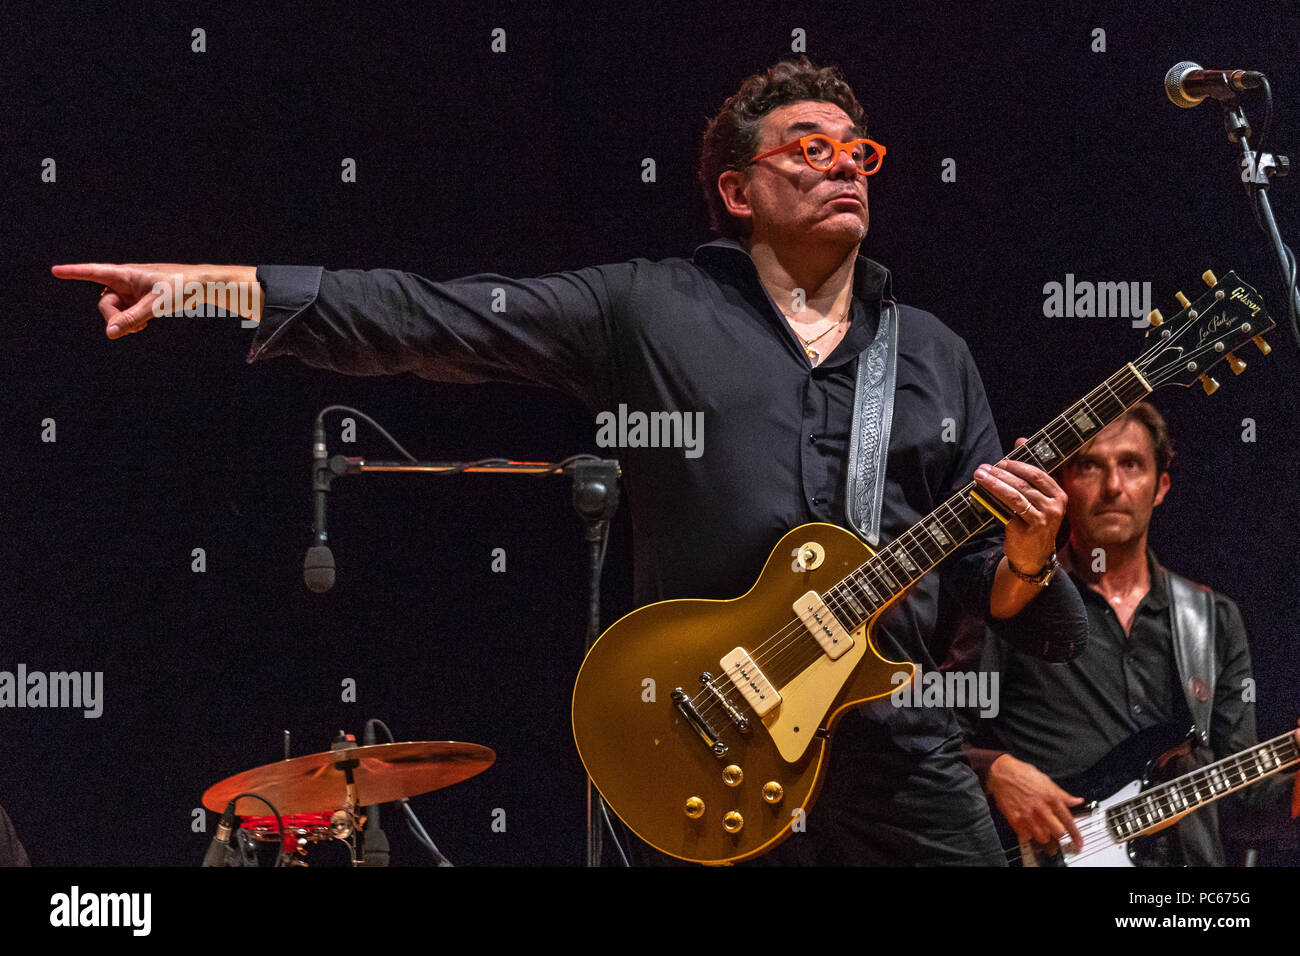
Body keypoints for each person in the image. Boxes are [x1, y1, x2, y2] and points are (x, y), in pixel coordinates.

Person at [53, 58, 1087, 865]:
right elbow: (437, 317)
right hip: (708, 733)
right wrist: (218, 287)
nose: (840, 167)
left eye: (857, 152)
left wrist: (1032, 554)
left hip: (892, 743)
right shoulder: (649, 308)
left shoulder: (935, 354)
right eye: (806, 149)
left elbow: (984, 596)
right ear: (734, 189)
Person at [953, 402, 1297, 865]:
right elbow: (932, 737)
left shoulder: (1213, 618)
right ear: (1064, 484)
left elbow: (1241, 805)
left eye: (1132, 465)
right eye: (1091, 465)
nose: (1113, 486)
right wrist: (993, 770)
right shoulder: (1014, 598)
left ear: (1161, 487)